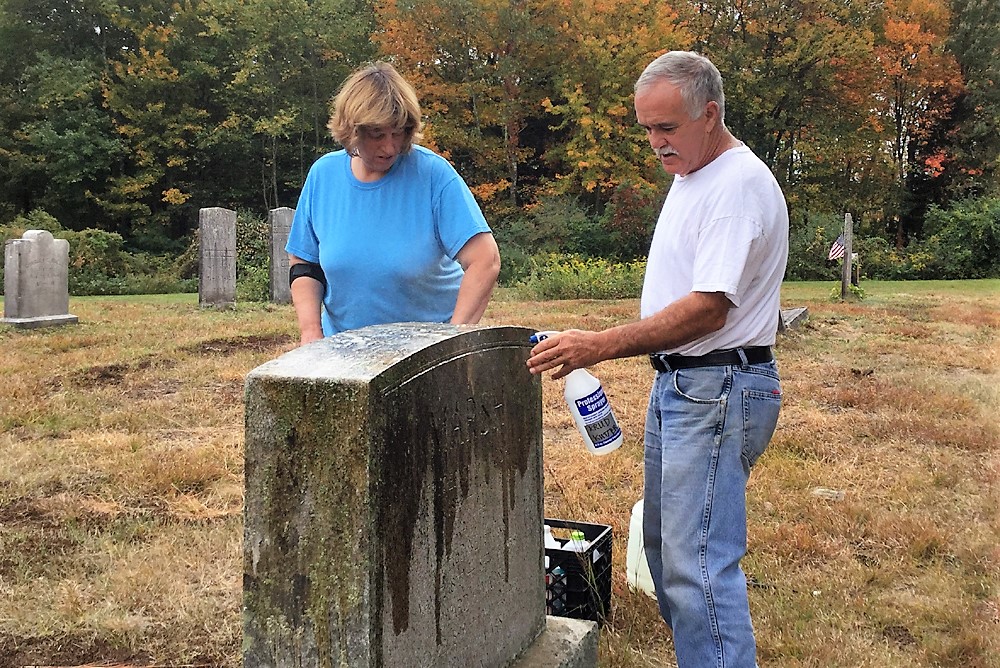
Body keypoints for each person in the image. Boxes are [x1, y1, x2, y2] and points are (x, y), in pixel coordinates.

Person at [527, 51, 787, 668]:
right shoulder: (695, 174)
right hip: (687, 385)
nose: (655, 143)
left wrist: (602, 343)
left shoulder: (735, 186)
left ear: (710, 114)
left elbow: (707, 309)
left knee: (697, 565)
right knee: (668, 552)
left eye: (667, 128)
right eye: (647, 129)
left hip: (719, 384)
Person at [286, 61, 500, 344]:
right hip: (343, 352)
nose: (389, 147)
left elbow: (486, 260)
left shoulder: (433, 175)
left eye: (397, 133)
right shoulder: (323, 176)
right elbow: (304, 263)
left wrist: (450, 342)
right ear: (352, 130)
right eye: (377, 135)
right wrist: (311, 331)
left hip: (422, 352)